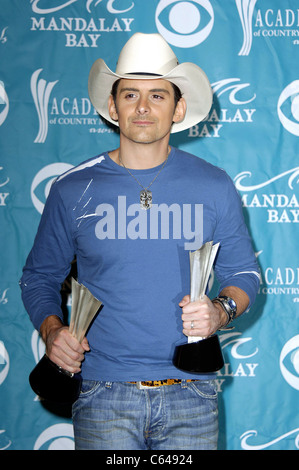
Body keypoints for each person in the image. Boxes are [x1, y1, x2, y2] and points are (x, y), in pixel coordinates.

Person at [20, 33, 260, 450]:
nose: (144, 107)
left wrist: (220, 312)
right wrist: (52, 329)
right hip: (102, 394)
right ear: (113, 107)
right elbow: (39, 278)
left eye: (158, 95)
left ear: (178, 108)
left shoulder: (214, 186)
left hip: (192, 394)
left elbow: (244, 273)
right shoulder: (72, 189)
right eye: (130, 94)